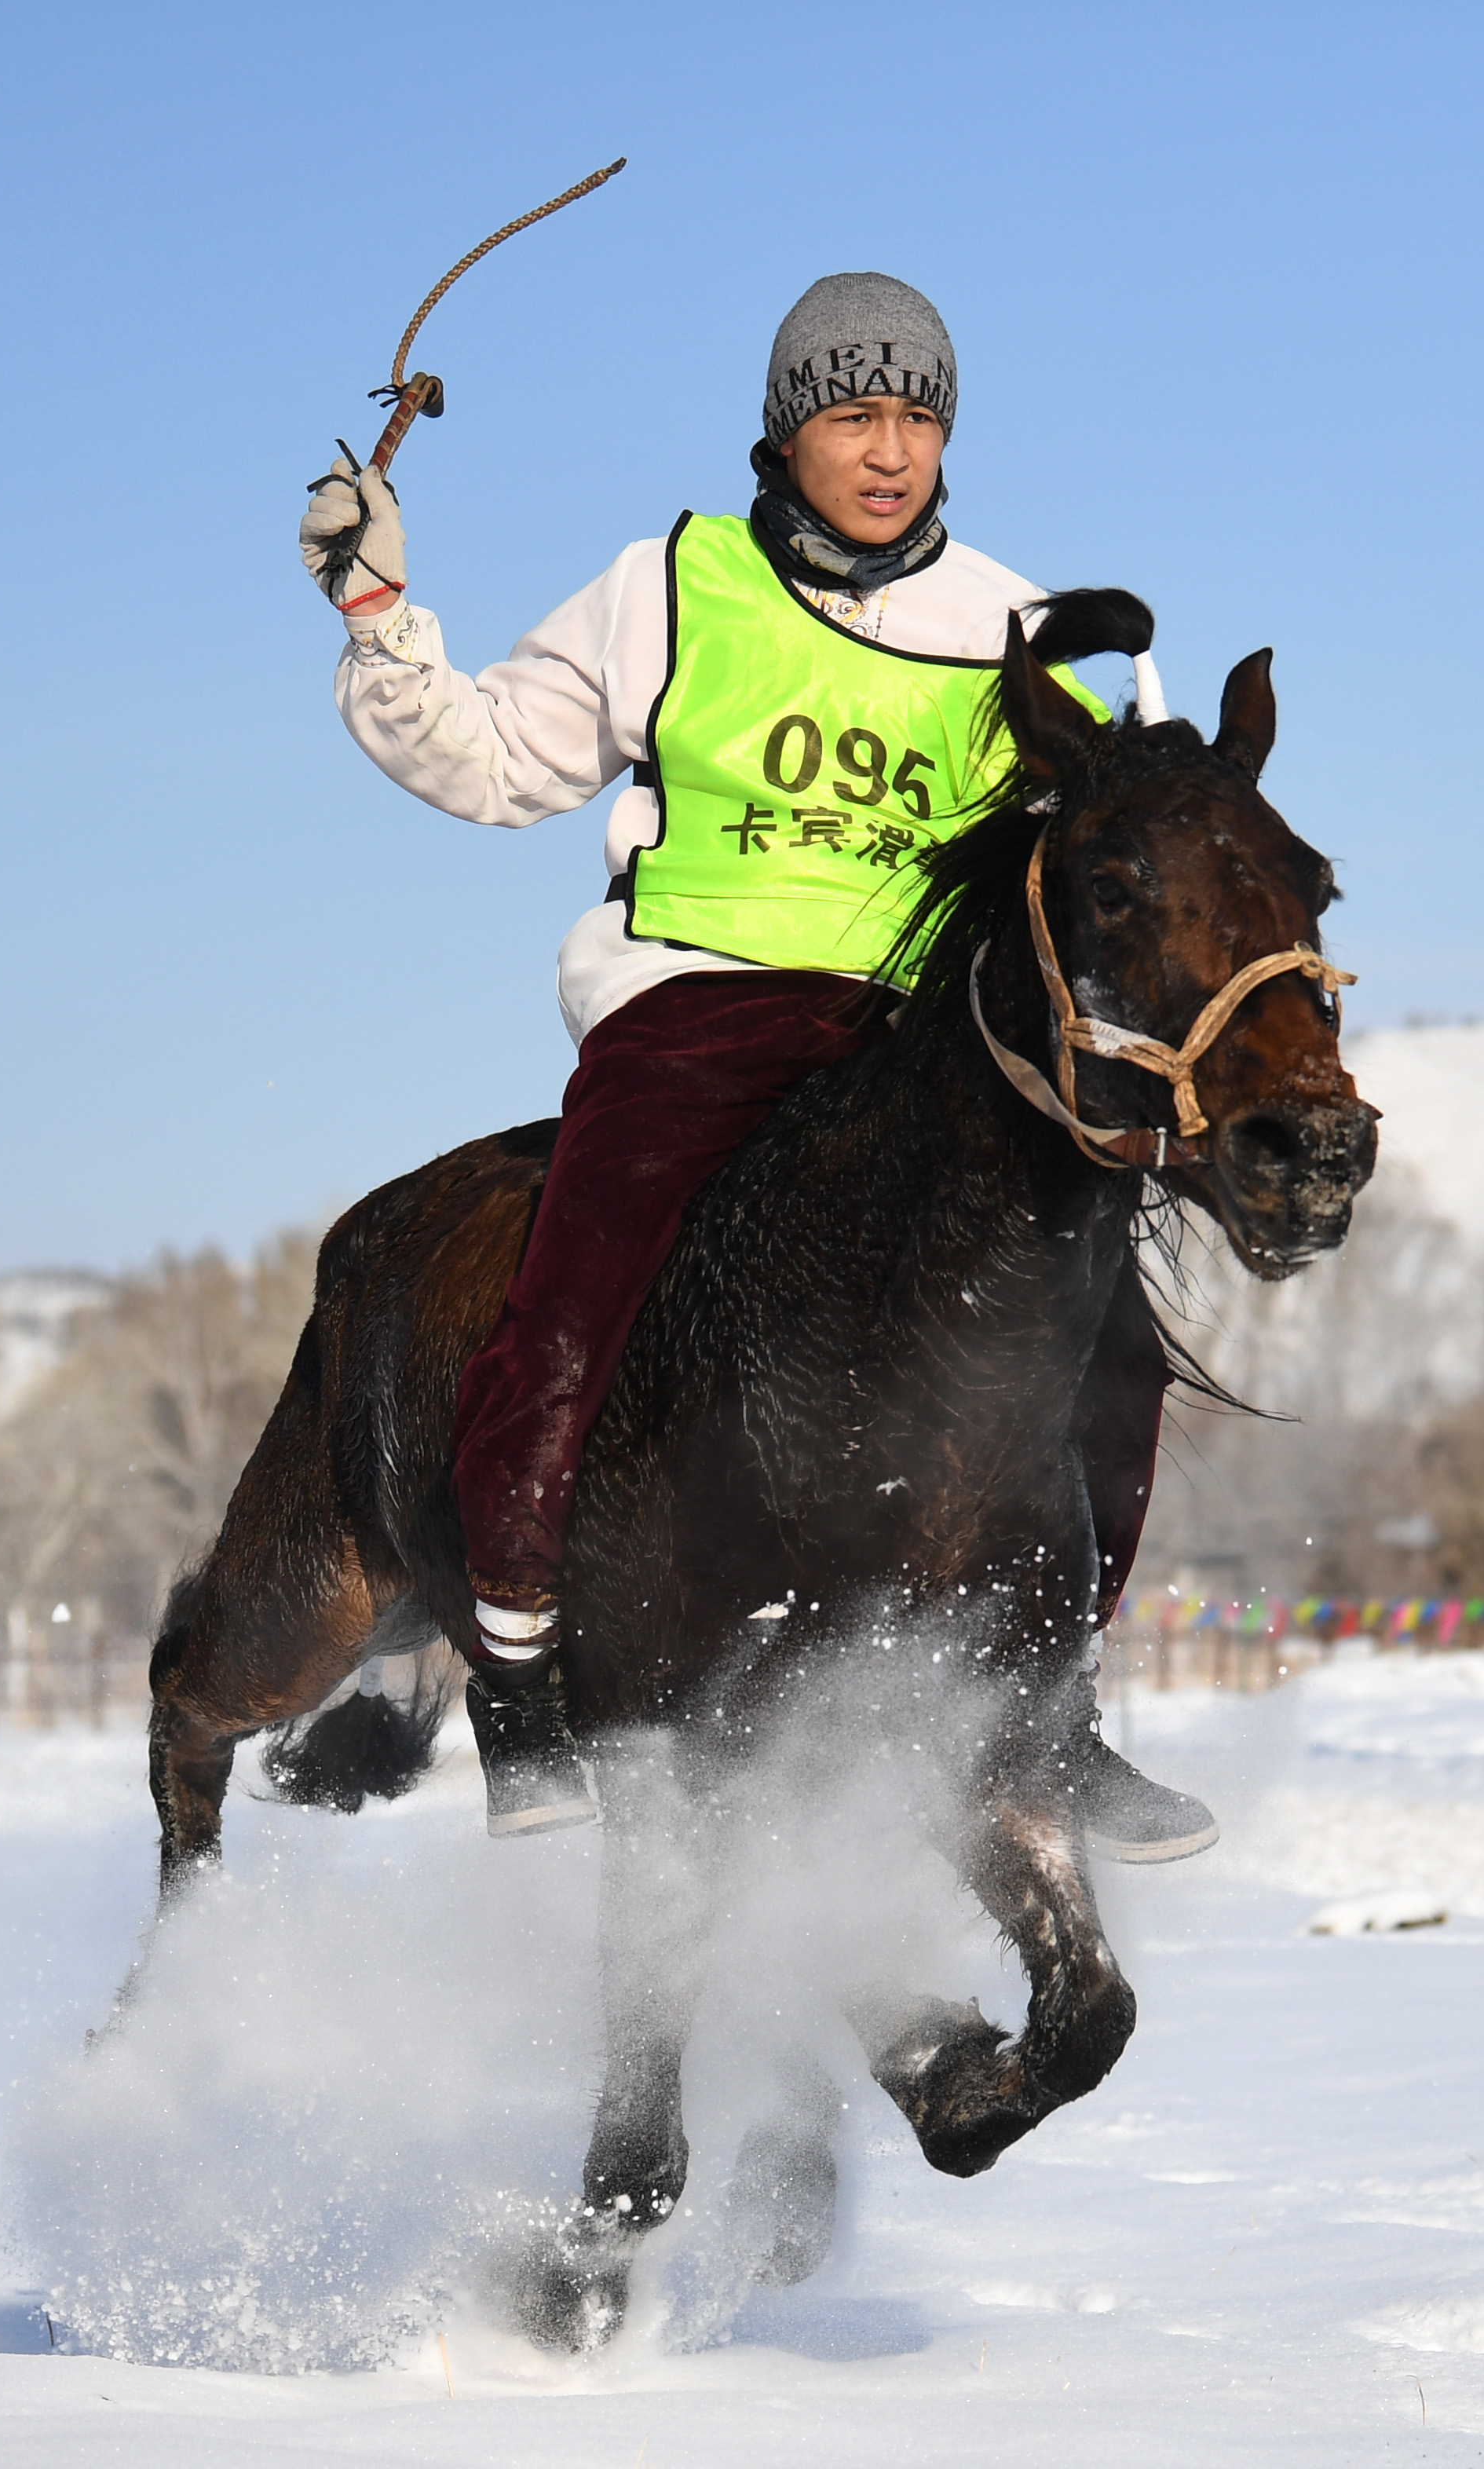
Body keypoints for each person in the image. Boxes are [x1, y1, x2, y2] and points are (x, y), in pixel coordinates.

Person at [300, 273, 1215, 1860]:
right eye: (855, 415)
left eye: (919, 418)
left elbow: (1111, 839)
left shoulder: (1011, 624)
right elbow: (494, 760)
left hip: (915, 1040)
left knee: (1109, 1327)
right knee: (582, 1285)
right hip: (699, 1001)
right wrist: (384, 618)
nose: (890, 451)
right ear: (788, 430)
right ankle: (512, 1654)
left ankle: (1043, 1708)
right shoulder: (669, 584)